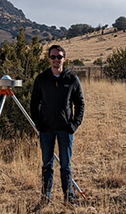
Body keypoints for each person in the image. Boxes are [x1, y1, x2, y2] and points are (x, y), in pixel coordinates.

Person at [30, 45, 85, 208]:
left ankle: (69, 198)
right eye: (53, 57)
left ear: (64, 59)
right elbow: (34, 103)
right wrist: (39, 124)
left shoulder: (72, 79)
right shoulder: (41, 79)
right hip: (46, 129)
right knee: (47, 165)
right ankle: (45, 198)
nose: (56, 60)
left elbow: (80, 103)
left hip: (65, 129)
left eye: (59, 57)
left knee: (66, 165)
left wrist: (74, 124)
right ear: (49, 59)